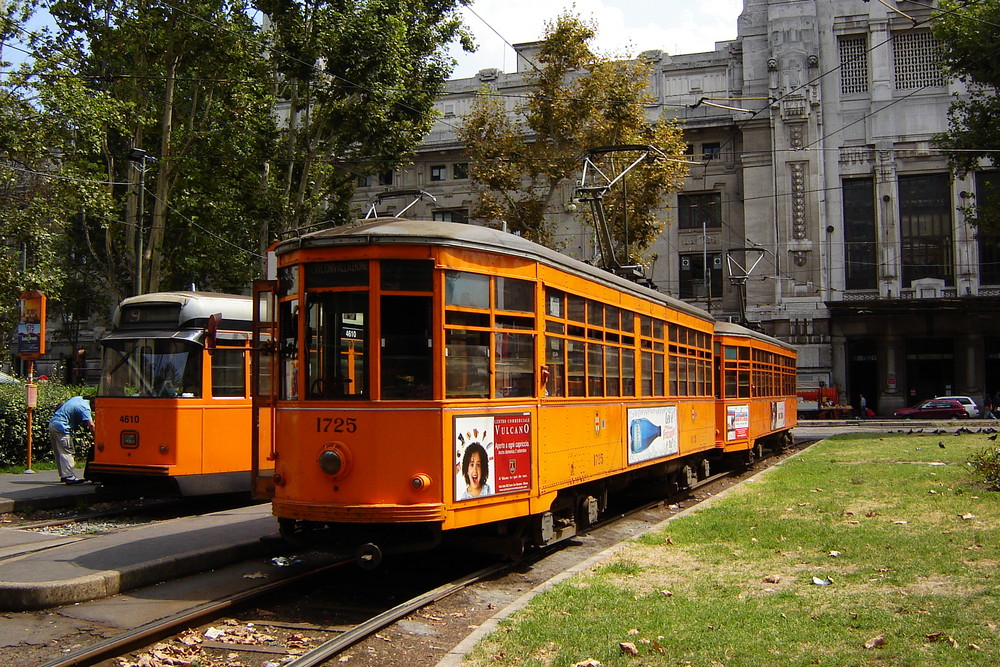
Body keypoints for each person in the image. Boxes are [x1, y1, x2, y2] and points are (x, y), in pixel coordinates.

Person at [48, 396, 94, 485]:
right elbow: (91, 425)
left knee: (59, 452)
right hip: (62, 427)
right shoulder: (85, 408)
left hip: (53, 424)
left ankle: (63, 475)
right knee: (67, 451)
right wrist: (96, 438)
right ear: (93, 403)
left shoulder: (78, 399)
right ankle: (69, 476)